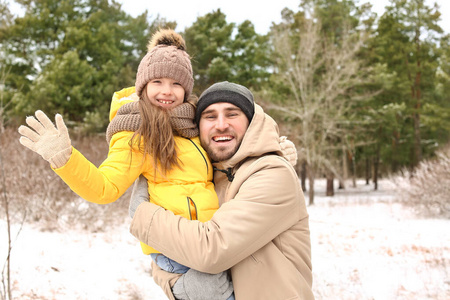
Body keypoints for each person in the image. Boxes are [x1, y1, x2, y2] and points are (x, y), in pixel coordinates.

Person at [18, 29, 234, 300]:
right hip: (178, 248)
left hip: (207, 241)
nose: (167, 91)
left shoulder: (191, 124)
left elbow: (225, 159)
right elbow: (104, 188)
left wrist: (271, 153)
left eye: (176, 84)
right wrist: (65, 158)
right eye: (157, 81)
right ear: (143, 85)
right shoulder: (138, 131)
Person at [129, 81, 315, 299]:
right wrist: (182, 287)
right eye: (209, 116)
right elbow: (167, 253)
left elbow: (212, 248)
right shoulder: (205, 179)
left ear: (251, 121)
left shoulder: (273, 172)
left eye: (232, 114)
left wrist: (142, 215)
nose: (221, 124)